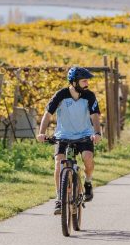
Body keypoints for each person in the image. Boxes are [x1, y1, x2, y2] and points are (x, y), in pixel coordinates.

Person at [37, 67, 102, 215]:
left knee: (88, 158)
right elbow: (47, 115)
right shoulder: (61, 95)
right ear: (74, 82)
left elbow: (94, 117)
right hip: (63, 135)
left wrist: (97, 133)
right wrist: (41, 133)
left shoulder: (89, 96)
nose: (87, 83)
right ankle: (60, 197)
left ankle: (88, 181)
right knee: (59, 165)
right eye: (84, 80)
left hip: (84, 134)